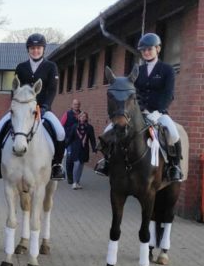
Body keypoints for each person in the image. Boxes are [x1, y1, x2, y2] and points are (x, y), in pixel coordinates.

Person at [95, 33, 182, 181]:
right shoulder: (137, 70)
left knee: (173, 133)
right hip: (137, 112)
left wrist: (158, 111)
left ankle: (175, 166)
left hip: (158, 113)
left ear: (158, 49)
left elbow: (168, 94)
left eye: (149, 49)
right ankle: (107, 162)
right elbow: (131, 94)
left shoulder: (167, 70)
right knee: (108, 130)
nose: (146, 52)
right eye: (143, 50)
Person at [0, 33, 66, 180]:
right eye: (32, 48)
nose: (35, 51)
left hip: (43, 109)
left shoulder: (51, 66)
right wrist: (14, 108)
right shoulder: (21, 67)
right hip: (21, 110)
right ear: (28, 50)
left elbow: (52, 90)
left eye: (38, 48)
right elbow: (15, 90)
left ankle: (56, 166)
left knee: (60, 132)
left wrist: (45, 107)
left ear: (43, 49)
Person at [65, 111, 96, 190]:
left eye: (84, 116)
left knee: (81, 166)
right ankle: (74, 182)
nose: (83, 118)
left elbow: (92, 139)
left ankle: (77, 182)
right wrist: (65, 146)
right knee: (77, 164)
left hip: (84, 149)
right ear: (78, 117)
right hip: (75, 148)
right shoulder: (74, 126)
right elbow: (70, 138)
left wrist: (94, 148)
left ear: (86, 118)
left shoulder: (89, 127)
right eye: (81, 116)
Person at [60, 99, 82, 185]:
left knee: (77, 160)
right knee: (69, 158)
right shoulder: (67, 114)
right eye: (75, 104)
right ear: (72, 105)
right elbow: (61, 125)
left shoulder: (82, 114)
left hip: (78, 141)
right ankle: (70, 178)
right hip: (69, 140)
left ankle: (75, 177)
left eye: (78, 104)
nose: (76, 106)